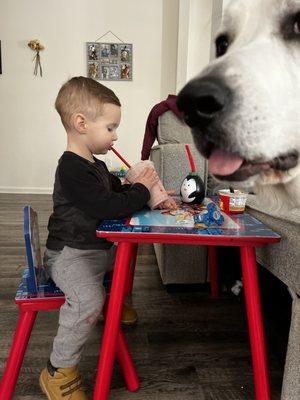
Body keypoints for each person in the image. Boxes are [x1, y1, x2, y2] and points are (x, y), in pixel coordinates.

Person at [39, 76, 167, 399]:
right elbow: (108, 206)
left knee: (122, 264)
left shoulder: (94, 165)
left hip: (91, 249)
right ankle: (58, 370)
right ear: (81, 124)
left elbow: (115, 190)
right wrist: (140, 190)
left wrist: (137, 185)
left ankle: (113, 304)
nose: (115, 135)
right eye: (110, 127)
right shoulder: (71, 168)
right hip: (68, 253)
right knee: (87, 300)